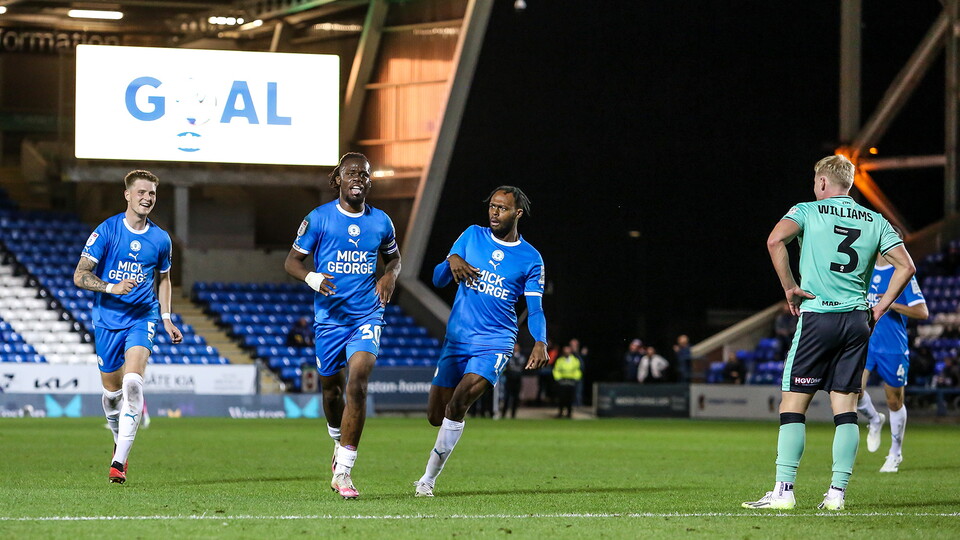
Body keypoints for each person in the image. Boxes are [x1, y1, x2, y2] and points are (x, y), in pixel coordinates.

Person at [743, 154, 915, 512]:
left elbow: (775, 241)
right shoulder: (876, 220)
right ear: (849, 184)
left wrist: (790, 287)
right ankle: (836, 494)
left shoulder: (807, 210)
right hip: (857, 321)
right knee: (846, 409)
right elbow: (907, 266)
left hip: (818, 317)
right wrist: (879, 307)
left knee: (793, 405)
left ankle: (784, 491)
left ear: (822, 182)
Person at [413, 186, 548, 497]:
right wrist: (451, 261)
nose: (494, 212)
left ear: (518, 213)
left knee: (459, 402)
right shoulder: (472, 235)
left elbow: (536, 308)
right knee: (436, 414)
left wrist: (540, 340)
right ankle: (444, 440)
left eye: (502, 208)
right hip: (457, 339)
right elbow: (437, 279)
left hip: (496, 341)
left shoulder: (531, 258)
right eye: (492, 206)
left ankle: (427, 481)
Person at [283, 152, 401, 499]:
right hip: (329, 320)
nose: (358, 179)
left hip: (367, 314)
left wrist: (389, 275)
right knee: (331, 390)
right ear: (338, 179)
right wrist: (312, 278)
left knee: (359, 383)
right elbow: (291, 261)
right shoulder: (318, 219)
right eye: (351, 173)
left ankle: (345, 472)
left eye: (364, 175)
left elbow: (394, 258)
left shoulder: (381, 222)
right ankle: (337, 441)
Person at [73, 169, 183, 484]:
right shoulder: (106, 231)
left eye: (152, 194)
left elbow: (164, 278)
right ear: (127, 195)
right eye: (141, 193)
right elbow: (80, 275)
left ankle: (119, 461)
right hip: (107, 318)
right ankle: (117, 436)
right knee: (111, 394)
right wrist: (111, 287)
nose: (147, 198)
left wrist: (165, 317)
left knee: (133, 383)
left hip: (142, 316)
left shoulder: (161, 238)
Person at [856, 228, 928, 473]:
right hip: (865, 342)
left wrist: (893, 303)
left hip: (892, 347)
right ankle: (874, 419)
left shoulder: (903, 274)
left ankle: (895, 453)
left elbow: (922, 312)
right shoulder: (864, 270)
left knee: (894, 401)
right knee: (854, 390)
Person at [553, 344, 582, 418]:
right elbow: (556, 370)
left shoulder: (575, 360)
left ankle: (569, 413)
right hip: (562, 381)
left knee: (570, 398)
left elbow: (577, 370)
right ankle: (560, 412)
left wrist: (575, 379)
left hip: (571, 381)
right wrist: (559, 379)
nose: (566, 352)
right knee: (561, 398)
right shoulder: (560, 360)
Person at [501, 343, 526, 419]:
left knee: (515, 397)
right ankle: (504, 413)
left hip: (517, 379)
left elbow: (521, 367)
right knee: (507, 397)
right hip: (509, 378)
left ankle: (513, 414)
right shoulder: (509, 356)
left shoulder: (522, 357)